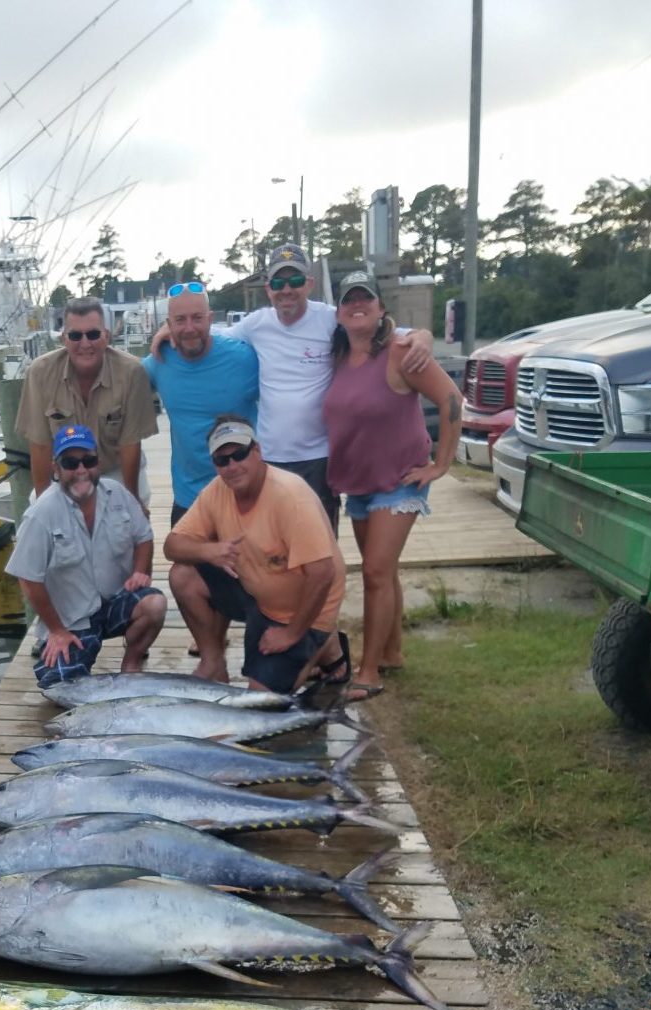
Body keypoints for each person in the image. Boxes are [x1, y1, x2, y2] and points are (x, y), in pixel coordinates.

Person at [222, 245, 433, 531]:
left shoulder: (330, 318)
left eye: (295, 281)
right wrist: (167, 330)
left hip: (319, 459)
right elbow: (211, 337)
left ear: (309, 283)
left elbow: (381, 327)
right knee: (274, 542)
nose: (287, 289)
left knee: (320, 546)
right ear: (268, 288)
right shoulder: (255, 324)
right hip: (270, 456)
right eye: (278, 282)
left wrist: (422, 336)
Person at [323, 270, 462, 700]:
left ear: (382, 308)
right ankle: (393, 651)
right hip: (358, 483)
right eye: (349, 300)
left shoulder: (403, 352)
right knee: (383, 572)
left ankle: (368, 670)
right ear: (340, 313)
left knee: (375, 572)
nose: (357, 304)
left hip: (400, 480)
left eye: (366, 298)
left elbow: (451, 398)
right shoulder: (338, 357)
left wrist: (440, 464)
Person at [163, 415, 346, 693]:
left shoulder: (290, 495)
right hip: (257, 593)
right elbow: (171, 546)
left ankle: (323, 643)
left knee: (261, 700)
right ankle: (213, 662)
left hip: (301, 610)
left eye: (239, 454)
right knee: (182, 574)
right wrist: (209, 550)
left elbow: (323, 574)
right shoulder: (216, 491)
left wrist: (291, 633)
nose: (232, 466)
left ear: (257, 451)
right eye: (222, 460)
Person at [6, 423, 166, 689]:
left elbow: (144, 536)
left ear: (98, 463)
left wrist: (140, 571)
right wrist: (56, 630)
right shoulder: (41, 513)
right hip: (71, 621)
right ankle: (68, 651)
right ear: (56, 469)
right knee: (58, 686)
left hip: (115, 602)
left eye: (88, 461)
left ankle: (132, 663)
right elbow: (28, 578)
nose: (81, 470)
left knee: (155, 605)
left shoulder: (118, 494)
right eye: (70, 463)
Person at [16, 296, 158, 507]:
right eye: (75, 335)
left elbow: (130, 445)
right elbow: (40, 446)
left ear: (107, 336)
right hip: (66, 470)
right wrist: (43, 506)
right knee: (39, 509)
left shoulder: (131, 372)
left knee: (129, 516)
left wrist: (133, 503)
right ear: (64, 339)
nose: (85, 344)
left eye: (93, 334)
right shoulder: (39, 373)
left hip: (114, 469)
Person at [142, 282, 259, 527]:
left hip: (244, 494)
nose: (189, 328)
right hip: (190, 497)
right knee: (180, 566)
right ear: (168, 323)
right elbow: (117, 381)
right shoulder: (159, 361)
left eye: (197, 318)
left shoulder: (244, 358)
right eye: (180, 320)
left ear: (210, 319)